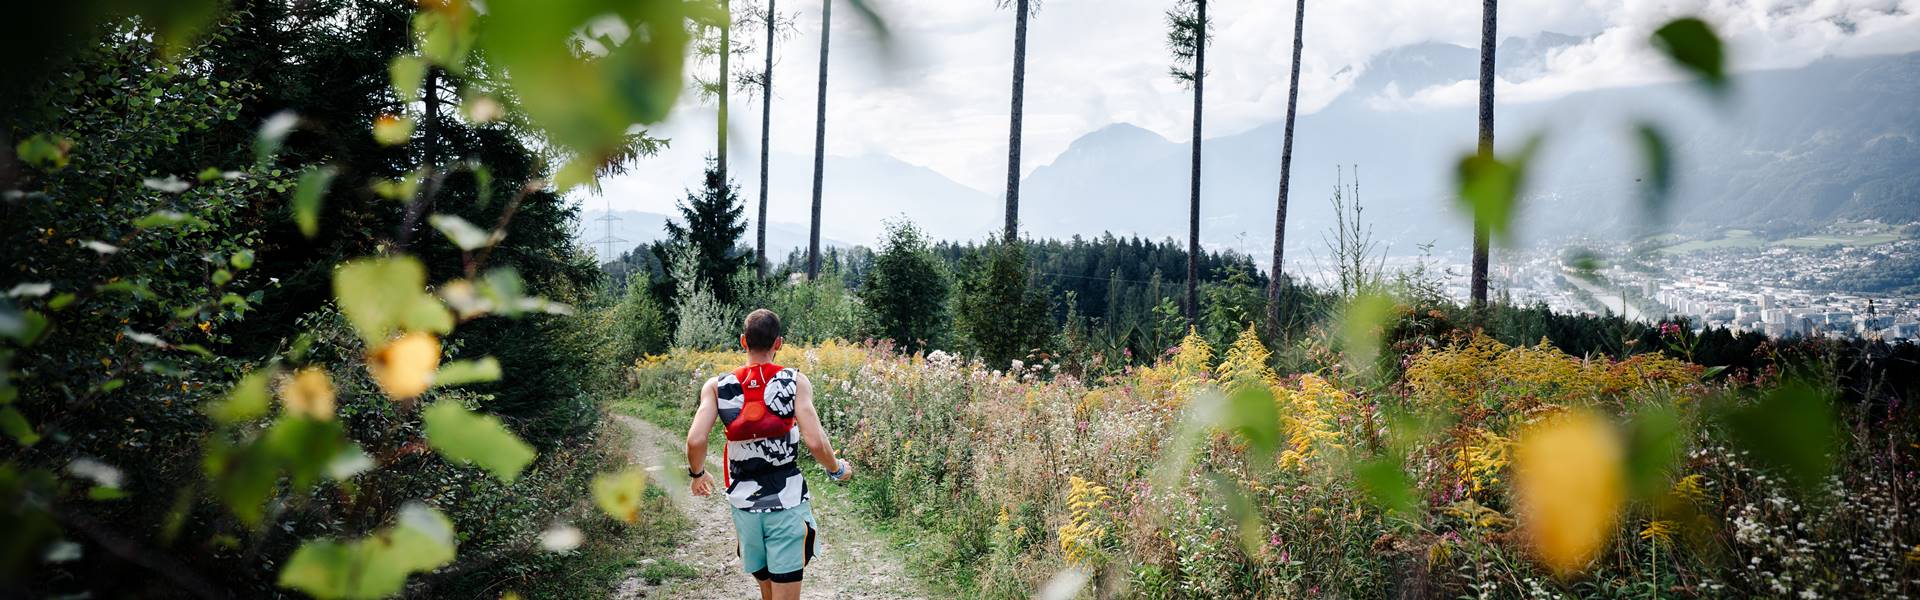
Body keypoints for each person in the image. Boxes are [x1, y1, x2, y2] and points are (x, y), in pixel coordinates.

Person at [686, 308, 853, 600]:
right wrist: (837, 469)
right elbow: (815, 441)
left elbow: (696, 439)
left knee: (767, 592)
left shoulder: (717, 386)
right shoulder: (795, 381)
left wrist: (697, 473)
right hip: (786, 504)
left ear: (743, 341)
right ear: (778, 343)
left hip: (744, 508)